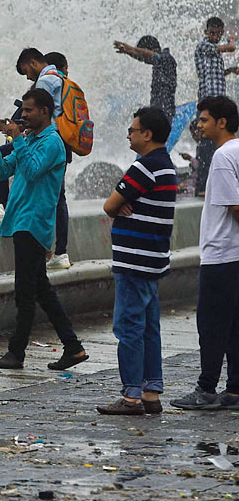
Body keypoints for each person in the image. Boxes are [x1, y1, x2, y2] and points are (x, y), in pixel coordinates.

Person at [0, 89, 87, 371]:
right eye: (22, 111)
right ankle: (74, 348)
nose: (23, 116)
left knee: (25, 291)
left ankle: (16, 353)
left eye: (28, 111)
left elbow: (30, 171)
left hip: (34, 222)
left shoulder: (53, 142)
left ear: (44, 111)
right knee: (40, 289)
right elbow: (2, 172)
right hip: (20, 220)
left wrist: (16, 138)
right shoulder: (30, 139)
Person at [97, 107, 177, 415]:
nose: (128, 135)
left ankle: (131, 396)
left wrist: (119, 206)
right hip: (153, 261)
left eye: (132, 130)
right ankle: (151, 392)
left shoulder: (144, 168)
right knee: (148, 328)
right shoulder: (166, 166)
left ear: (147, 134)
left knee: (128, 327)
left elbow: (109, 205)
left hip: (134, 262)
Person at [172, 96, 239, 410]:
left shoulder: (224, 156)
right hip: (234, 255)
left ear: (221, 122)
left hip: (222, 254)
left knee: (211, 325)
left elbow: (235, 207)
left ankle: (206, 389)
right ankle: (236, 390)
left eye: (203, 119)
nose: (198, 125)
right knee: (235, 325)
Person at [6, 48, 73, 270]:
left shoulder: (44, 81)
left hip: (48, 141)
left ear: (33, 62)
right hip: (61, 139)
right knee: (58, 195)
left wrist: (17, 133)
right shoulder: (60, 77)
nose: (27, 77)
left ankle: (2, 204)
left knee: (56, 195)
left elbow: (40, 113)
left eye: (26, 71)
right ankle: (59, 250)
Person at [194, 18, 238, 196]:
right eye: (212, 33)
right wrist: (232, 41)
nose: (215, 36)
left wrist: (230, 70)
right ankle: (202, 186)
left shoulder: (214, 52)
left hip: (217, 102)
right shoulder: (203, 46)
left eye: (218, 33)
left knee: (218, 141)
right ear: (206, 32)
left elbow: (213, 74)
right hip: (207, 103)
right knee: (206, 143)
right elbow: (230, 48)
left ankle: (213, 184)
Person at [113, 36, 178, 120]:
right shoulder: (159, 63)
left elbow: (149, 55)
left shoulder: (166, 59)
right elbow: (143, 56)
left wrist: (130, 48)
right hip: (158, 111)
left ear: (154, 50)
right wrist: (127, 52)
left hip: (163, 113)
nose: (144, 61)